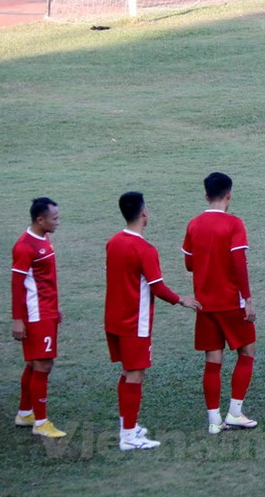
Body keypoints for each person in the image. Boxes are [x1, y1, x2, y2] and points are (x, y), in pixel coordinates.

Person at [105, 191, 200, 450]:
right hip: (135, 322)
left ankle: (128, 425)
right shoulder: (145, 249)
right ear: (143, 213)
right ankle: (128, 437)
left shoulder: (113, 242)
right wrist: (182, 299)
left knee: (127, 373)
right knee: (136, 375)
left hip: (113, 319)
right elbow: (157, 288)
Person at [182, 172, 258, 435]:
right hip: (231, 303)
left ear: (206, 195)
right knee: (247, 352)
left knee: (213, 360)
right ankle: (235, 412)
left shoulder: (193, 224)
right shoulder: (234, 224)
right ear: (229, 195)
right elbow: (239, 264)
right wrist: (247, 300)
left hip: (204, 304)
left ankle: (214, 420)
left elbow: (189, 264)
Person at [11, 197, 66, 439]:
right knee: (43, 364)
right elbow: (17, 284)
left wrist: (55, 307)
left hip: (47, 311)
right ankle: (41, 422)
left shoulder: (43, 238)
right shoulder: (25, 246)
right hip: (36, 315)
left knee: (35, 363)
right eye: (54, 218)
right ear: (40, 219)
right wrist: (17, 319)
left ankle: (25, 413)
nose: (58, 221)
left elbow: (45, 280)